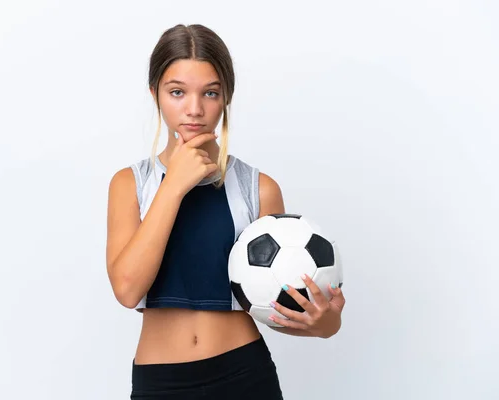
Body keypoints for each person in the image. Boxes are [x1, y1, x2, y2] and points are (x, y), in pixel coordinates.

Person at [106, 23, 346, 400]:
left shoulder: (258, 188)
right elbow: (127, 288)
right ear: (155, 94)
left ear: (226, 97)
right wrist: (173, 186)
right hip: (160, 384)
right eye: (177, 92)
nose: (195, 109)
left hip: (243, 374)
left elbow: (274, 307)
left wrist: (325, 323)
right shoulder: (130, 184)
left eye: (210, 93)